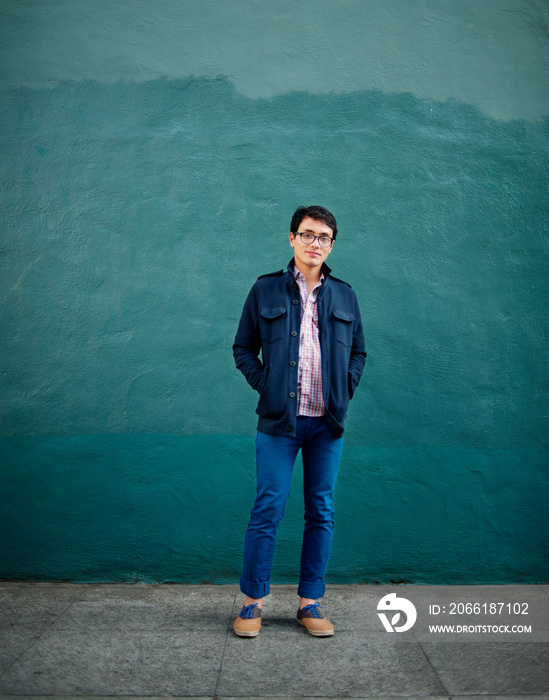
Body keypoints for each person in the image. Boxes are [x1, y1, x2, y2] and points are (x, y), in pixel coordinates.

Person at [232, 205, 366, 637]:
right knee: (267, 507)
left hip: (326, 425)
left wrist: (344, 391)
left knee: (321, 511)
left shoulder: (345, 294)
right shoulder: (265, 289)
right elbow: (242, 348)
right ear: (292, 238)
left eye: (324, 237)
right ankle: (252, 603)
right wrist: (266, 385)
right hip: (278, 423)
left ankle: (310, 602)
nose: (315, 243)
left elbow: (358, 352)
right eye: (307, 235)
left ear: (331, 244)